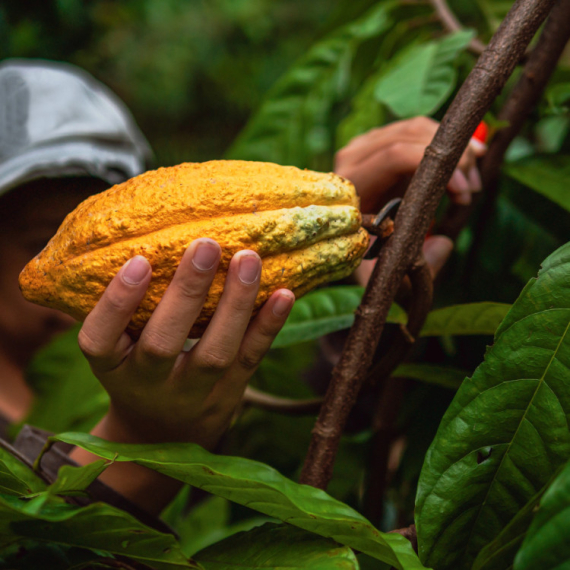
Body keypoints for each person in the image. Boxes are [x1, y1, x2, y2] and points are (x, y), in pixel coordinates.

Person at [0, 59, 484, 518]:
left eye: (110, 217)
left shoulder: (179, 368)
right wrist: (144, 440)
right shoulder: (148, 386)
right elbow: (29, 543)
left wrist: (365, 291)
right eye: (39, 235)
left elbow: (292, 444)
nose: (123, 261)